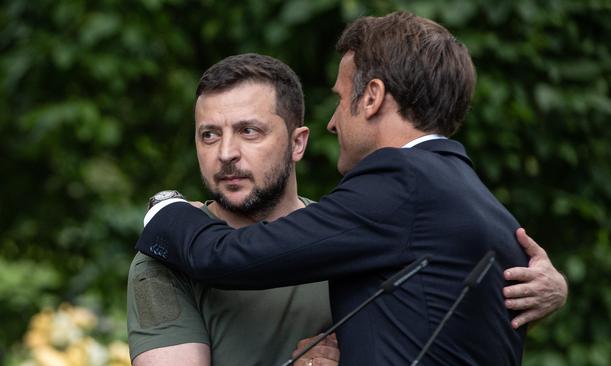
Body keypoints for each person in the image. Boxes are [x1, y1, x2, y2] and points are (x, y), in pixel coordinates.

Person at [135, 14, 568, 363]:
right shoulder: (488, 210)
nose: (334, 121)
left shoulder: (399, 182)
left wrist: (164, 208)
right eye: (208, 135)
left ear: (372, 97)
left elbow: (226, 256)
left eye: (342, 100)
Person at [127, 54, 338, 366]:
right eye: (209, 135)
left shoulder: (344, 240)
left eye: (249, 131)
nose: (226, 153)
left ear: (298, 143)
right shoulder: (166, 254)